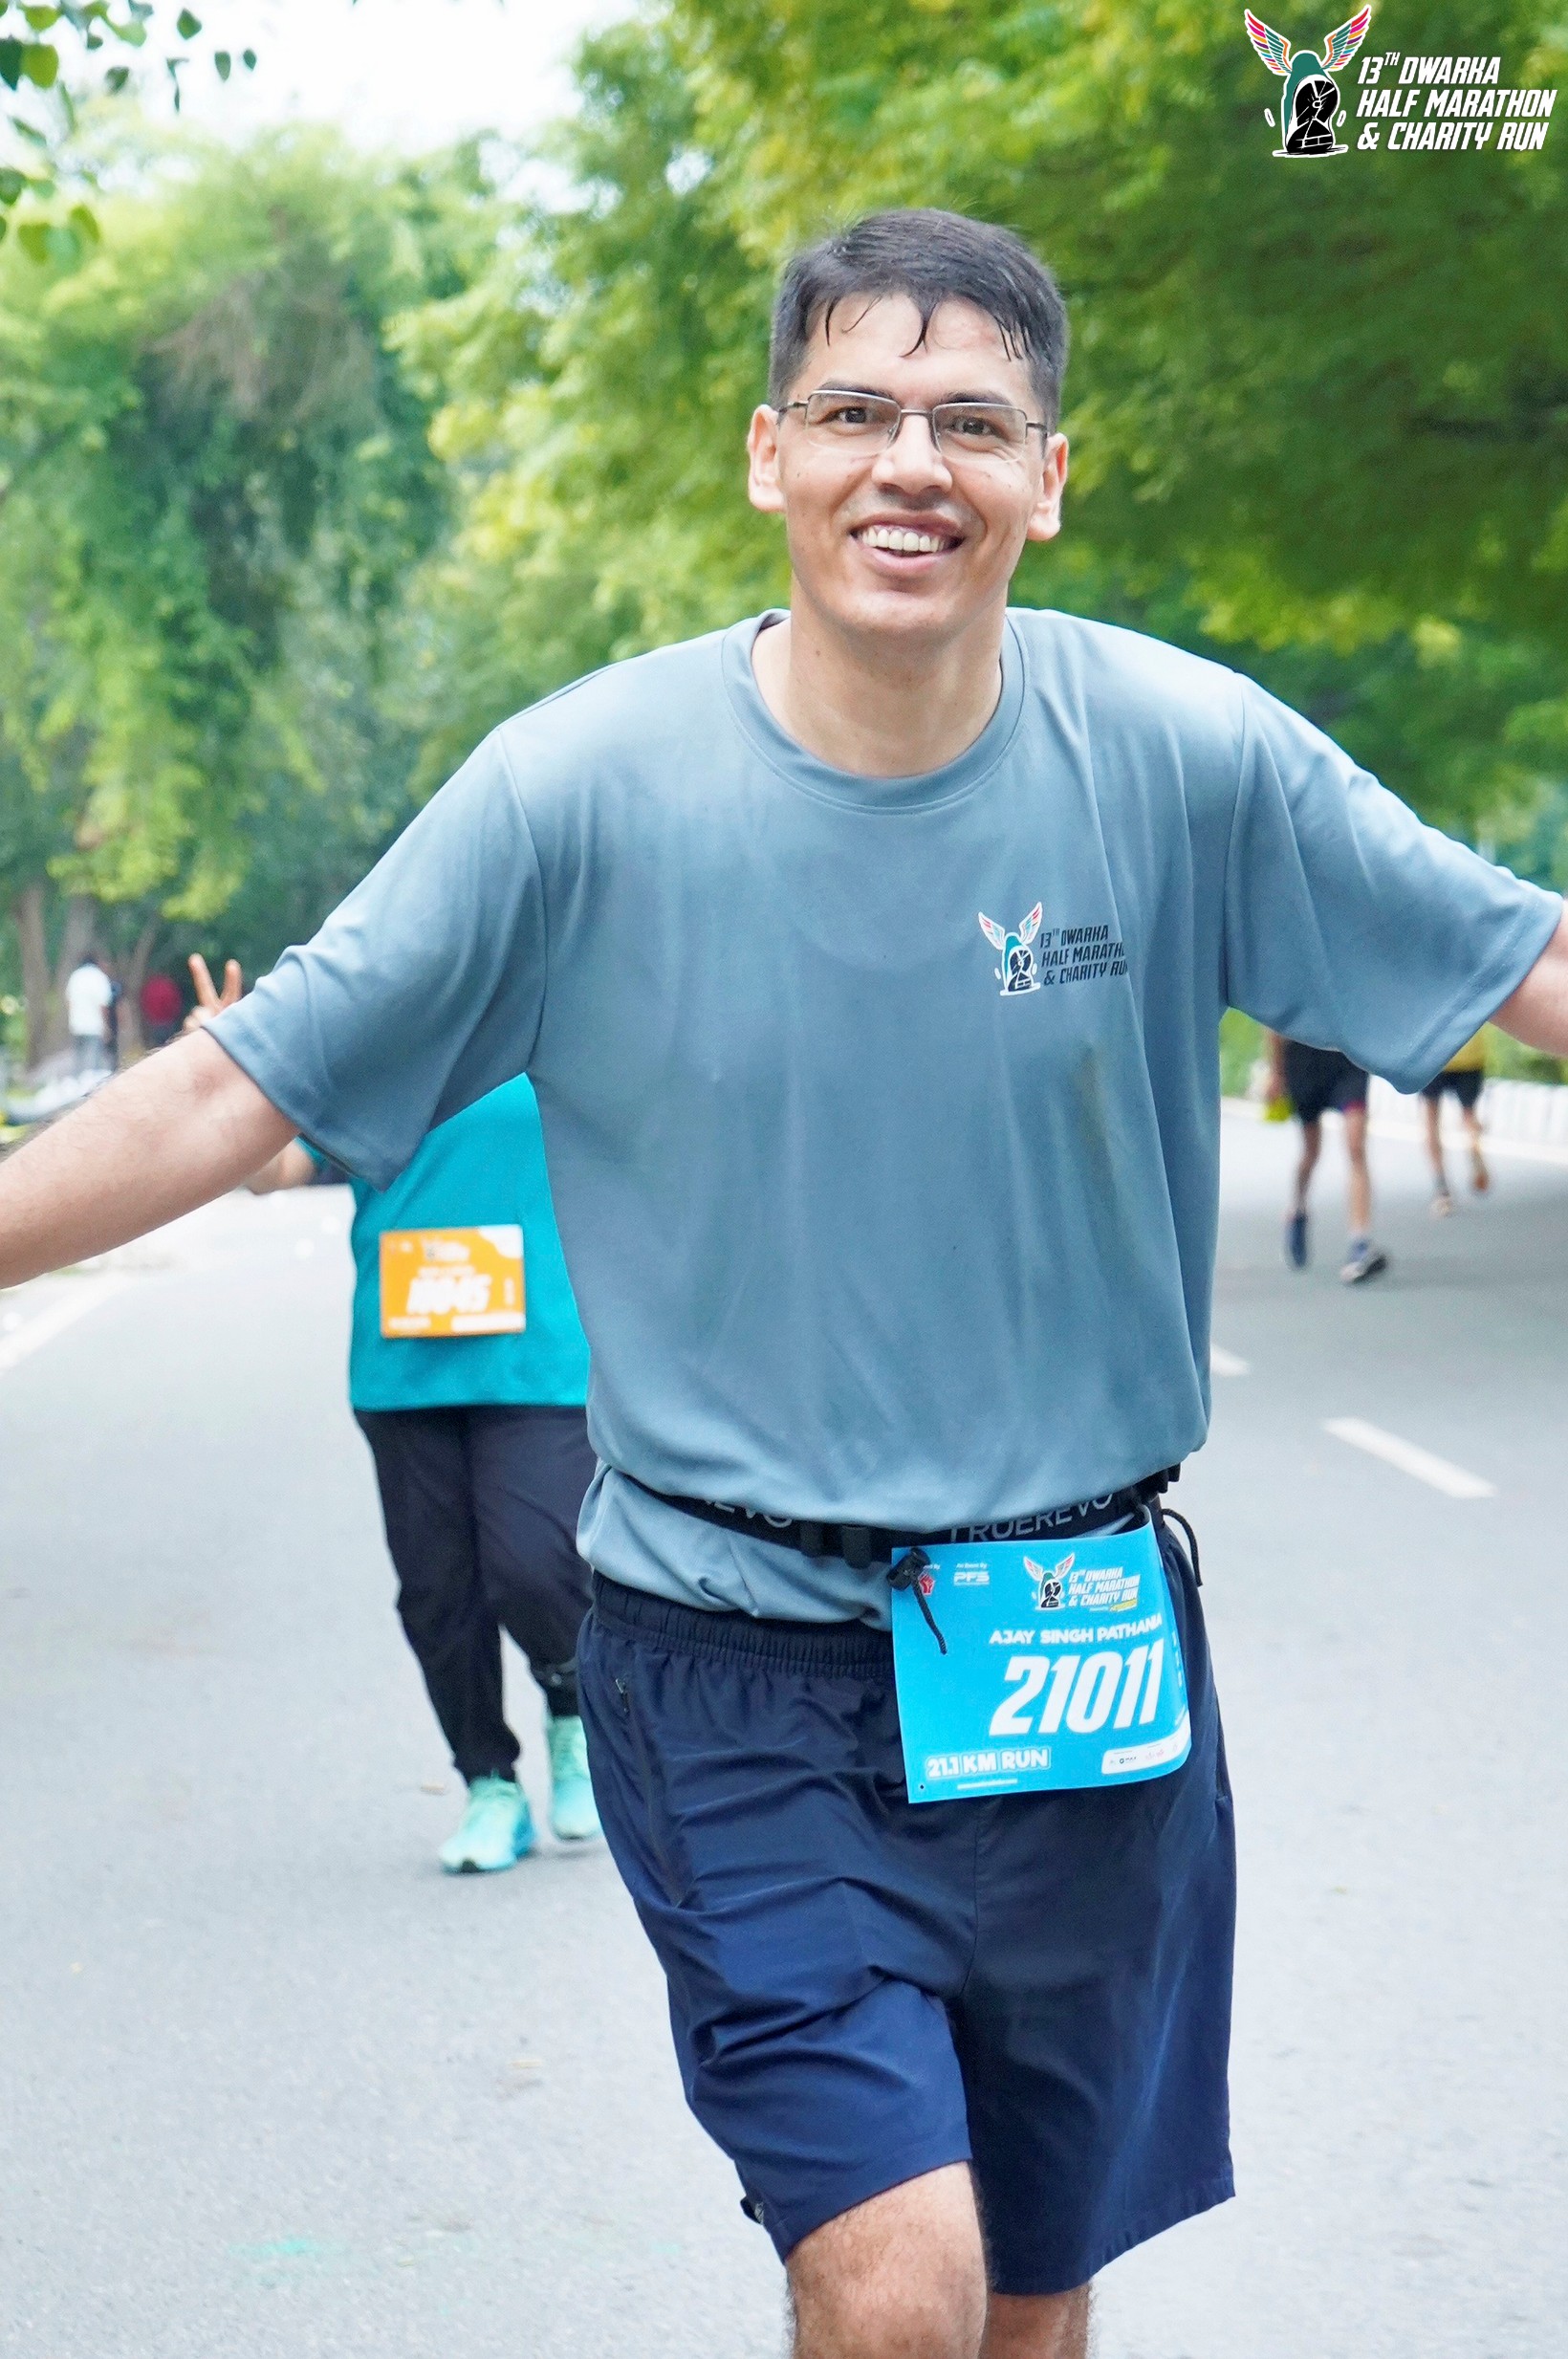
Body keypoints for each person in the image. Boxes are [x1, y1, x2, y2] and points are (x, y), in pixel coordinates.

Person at [2, 209, 1566, 2359]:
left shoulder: (1186, 757)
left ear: (1047, 477)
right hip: (736, 1651)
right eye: (853, 411)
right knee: (896, 2281)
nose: (908, 463)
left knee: (1031, 2291)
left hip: (1079, 1649)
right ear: (769, 454)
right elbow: (228, 1086)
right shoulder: (578, 792)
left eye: (970, 424)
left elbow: (1522, 959)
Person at [187, 954, 599, 1869]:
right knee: (437, 1593)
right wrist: (222, 1068)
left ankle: (573, 1711)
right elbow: (279, 1169)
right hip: (405, 1367)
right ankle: (489, 1784)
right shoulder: (368, 1052)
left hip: (538, 1356)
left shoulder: (557, 1024)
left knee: (536, 1565)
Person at [1268, 1031, 1389, 1283]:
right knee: (1311, 1152)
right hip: (1304, 1059)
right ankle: (1297, 1209)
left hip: (1348, 1059)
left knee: (1356, 1148)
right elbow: (1273, 1023)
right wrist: (1276, 1072)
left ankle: (1360, 1242)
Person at [1421, 1028, 1490, 1213]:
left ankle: (1441, 1186)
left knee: (1431, 1119)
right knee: (1469, 1115)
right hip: (1469, 1050)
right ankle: (1475, 1151)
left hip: (1433, 1053)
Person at [63, 951, 113, 1078]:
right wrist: (106, 1025)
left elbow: (69, 1001)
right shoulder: (99, 977)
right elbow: (103, 1005)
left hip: (77, 1024)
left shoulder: (75, 976)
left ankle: (76, 1082)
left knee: (78, 1059)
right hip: (94, 1026)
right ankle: (91, 1085)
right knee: (93, 1063)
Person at [139, 970, 185, 1049]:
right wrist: (174, 1015)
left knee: (157, 1046)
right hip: (168, 1021)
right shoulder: (168, 986)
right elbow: (174, 1002)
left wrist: (148, 1017)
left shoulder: (150, 987)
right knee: (169, 1044)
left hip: (154, 1022)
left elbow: (144, 1002)